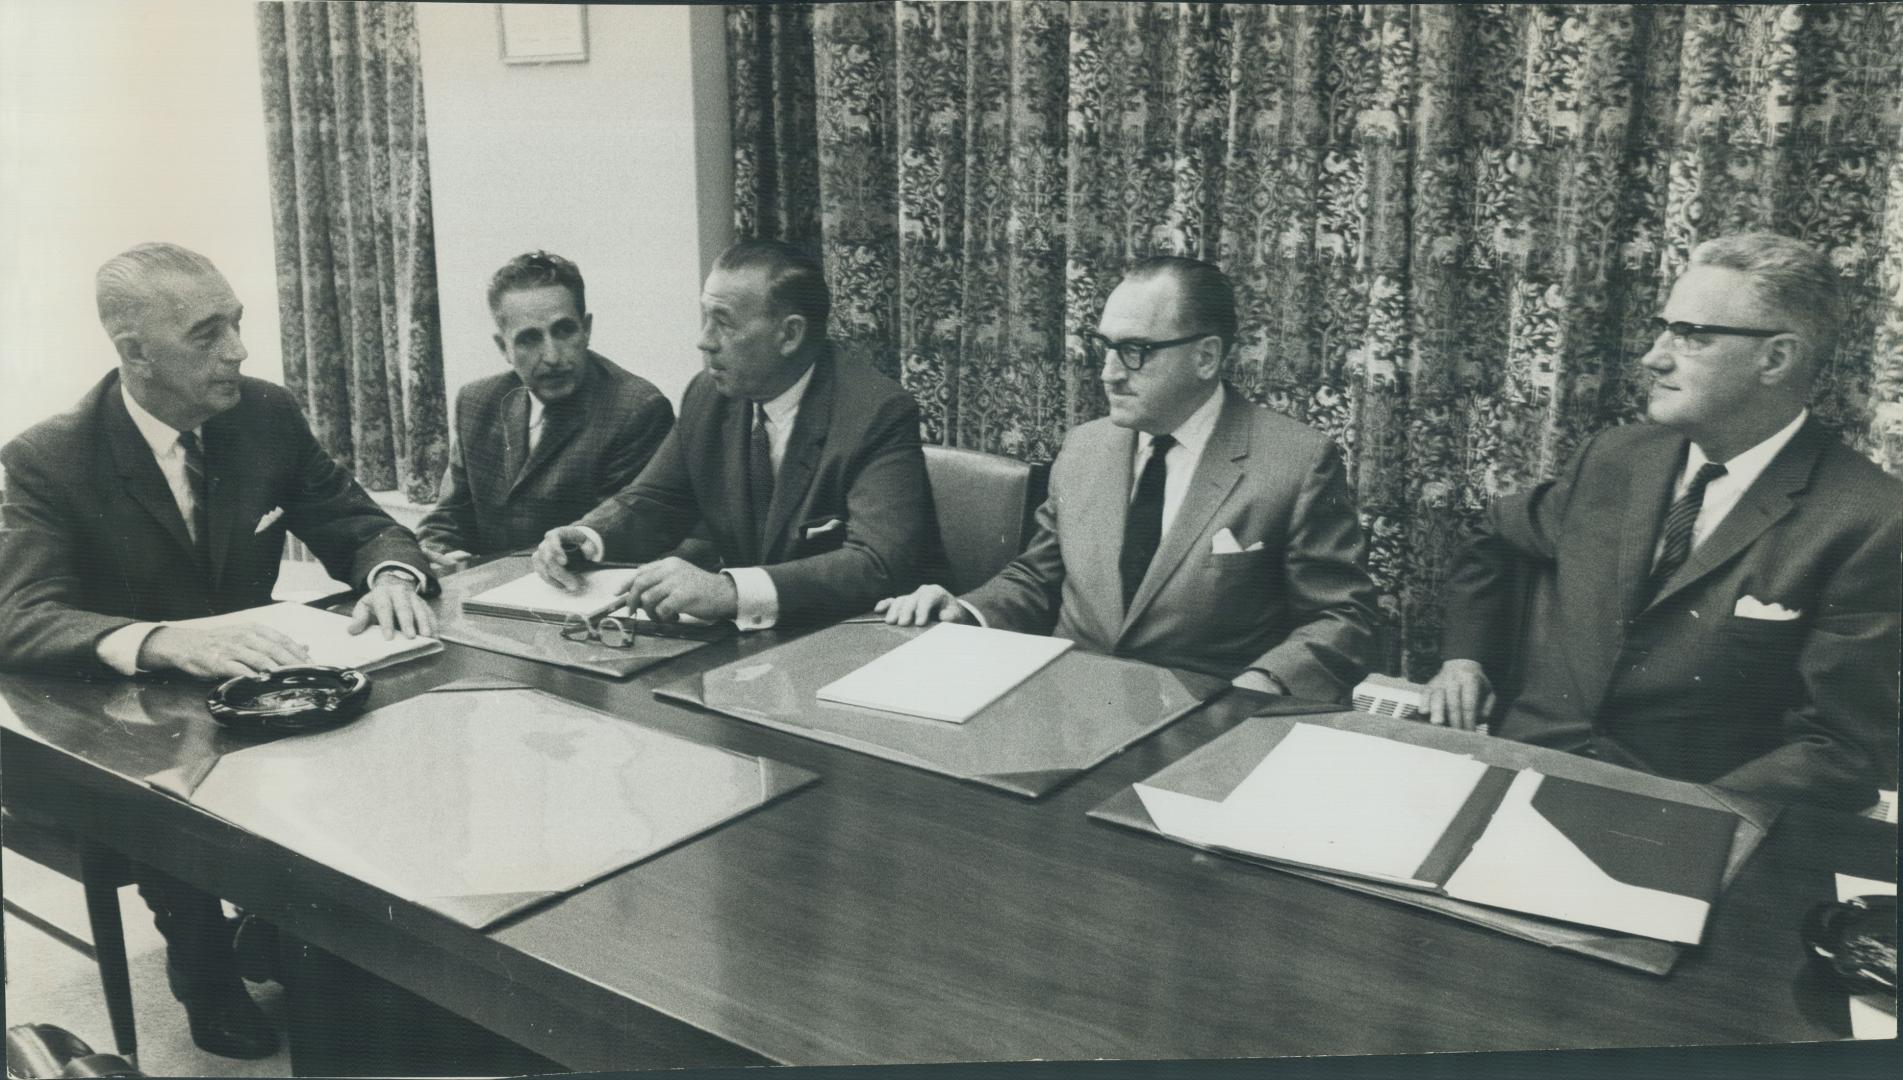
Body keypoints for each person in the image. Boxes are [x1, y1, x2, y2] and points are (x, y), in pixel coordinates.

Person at [0, 242, 439, 1057]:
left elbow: (354, 517)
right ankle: (201, 965)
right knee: (176, 768)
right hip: (123, 717)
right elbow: (16, 615)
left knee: (374, 729)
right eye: (208, 334)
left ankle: (293, 927)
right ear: (135, 353)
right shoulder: (51, 458)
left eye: (236, 324)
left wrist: (390, 575)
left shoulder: (262, 415)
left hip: (252, 685)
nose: (238, 349)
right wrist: (165, 640)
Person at [1427, 232, 1903, 810]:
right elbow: (1495, 542)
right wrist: (1464, 659)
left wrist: (1675, 824)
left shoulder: (1872, 519)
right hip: (1514, 779)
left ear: (1775, 358)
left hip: (1688, 822)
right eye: (1665, 329)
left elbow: (1841, 748)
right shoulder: (1615, 457)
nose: (1654, 357)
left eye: (1693, 337)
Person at [877, 256, 1380, 700]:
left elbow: (1342, 619)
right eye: (1106, 347)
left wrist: (1261, 686)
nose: (1109, 373)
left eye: (1136, 350)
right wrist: (965, 612)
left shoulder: (1295, 461)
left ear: (1206, 357)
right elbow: (1040, 578)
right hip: (1070, 710)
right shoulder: (1085, 448)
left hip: (1207, 724)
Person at [532, 239, 936, 628]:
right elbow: (656, 499)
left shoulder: (876, 412)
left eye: (723, 323)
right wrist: (587, 537)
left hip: (860, 637)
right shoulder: (709, 394)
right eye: (705, 318)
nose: (703, 341)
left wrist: (730, 591)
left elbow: (876, 564)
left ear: (790, 334)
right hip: (755, 644)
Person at [417, 251, 673, 570]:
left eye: (564, 330)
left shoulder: (636, 409)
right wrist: (434, 554)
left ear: (587, 329)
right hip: (486, 595)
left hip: (576, 596)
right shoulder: (476, 401)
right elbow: (449, 517)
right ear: (503, 348)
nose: (552, 355)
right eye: (529, 339)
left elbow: (619, 539)